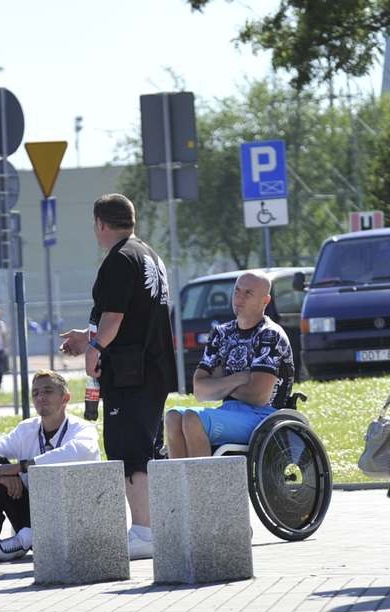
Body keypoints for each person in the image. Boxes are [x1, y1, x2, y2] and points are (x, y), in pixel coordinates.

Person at [59, 194, 175, 560]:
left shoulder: (119, 259)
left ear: (100, 223)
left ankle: (143, 531)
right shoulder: (148, 255)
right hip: (153, 368)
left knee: (129, 450)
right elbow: (133, 315)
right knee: (148, 449)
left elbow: (114, 318)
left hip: (129, 373)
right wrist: (87, 336)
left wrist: (94, 349)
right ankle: (155, 527)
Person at [0, 370, 101, 562]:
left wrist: (20, 467)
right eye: (35, 393)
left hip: (70, 519)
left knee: (14, 469)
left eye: (47, 391)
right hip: (31, 512)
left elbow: (77, 452)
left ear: (65, 398)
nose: (40, 397)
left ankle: (25, 539)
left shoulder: (82, 428)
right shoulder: (26, 429)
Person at [163, 272, 294, 457]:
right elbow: (200, 391)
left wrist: (219, 384)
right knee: (173, 416)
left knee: (192, 419)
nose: (239, 298)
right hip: (229, 412)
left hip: (263, 417)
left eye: (248, 293)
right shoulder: (221, 333)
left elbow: (258, 396)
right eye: (237, 291)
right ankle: (183, 477)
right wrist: (238, 379)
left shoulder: (270, 335)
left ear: (265, 301)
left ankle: (205, 477)